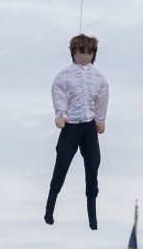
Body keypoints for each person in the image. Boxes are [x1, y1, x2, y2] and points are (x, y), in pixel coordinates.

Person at [45, 33, 109, 229]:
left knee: (93, 165)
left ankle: (93, 217)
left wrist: (100, 119)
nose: (84, 55)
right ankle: (50, 209)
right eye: (80, 51)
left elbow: (102, 96)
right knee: (62, 163)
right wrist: (60, 114)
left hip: (89, 126)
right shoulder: (65, 75)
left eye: (88, 52)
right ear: (73, 52)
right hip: (71, 124)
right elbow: (59, 92)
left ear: (93, 54)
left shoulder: (98, 77)